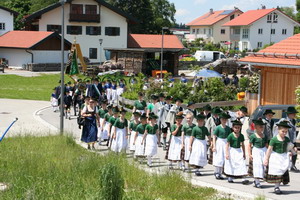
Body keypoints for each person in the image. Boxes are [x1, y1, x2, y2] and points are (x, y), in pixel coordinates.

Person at [264, 120, 295, 194]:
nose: (284, 133)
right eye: (283, 131)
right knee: (277, 172)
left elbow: (290, 147)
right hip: (276, 157)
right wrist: (266, 159)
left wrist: (292, 152)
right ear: (278, 130)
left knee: (282, 172)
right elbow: (269, 149)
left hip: (283, 157)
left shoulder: (286, 139)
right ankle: (276, 187)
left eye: (286, 132)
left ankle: (277, 186)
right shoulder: (274, 139)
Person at [274, 106, 299, 172]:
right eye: (293, 113)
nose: (294, 115)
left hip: (292, 140)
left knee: (294, 152)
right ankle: (283, 166)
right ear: (289, 114)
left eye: (294, 113)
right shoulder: (284, 120)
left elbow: (294, 131)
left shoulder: (294, 121)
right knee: (285, 153)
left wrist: (295, 143)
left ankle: (292, 165)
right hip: (285, 140)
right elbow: (277, 127)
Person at [224, 120, 248, 184]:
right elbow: (227, 145)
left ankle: (243, 178)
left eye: (238, 128)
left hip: (238, 150)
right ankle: (230, 177)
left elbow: (243, 145)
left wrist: (244, 153)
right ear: (233, 128)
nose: (237, 129)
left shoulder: (241, 136)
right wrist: (227, 153)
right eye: (236, 127)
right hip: (232, 150)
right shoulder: (230, 135)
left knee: (241, 163)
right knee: (232, 163)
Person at [247, 118, 268, 188]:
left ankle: (260, 178)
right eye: (260, 127)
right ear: (256, 127)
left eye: (262, 127)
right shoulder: (253, 136)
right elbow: (249, 145)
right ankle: (257, 181)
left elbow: (267, 145)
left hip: (263, 151)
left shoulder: (264, 136)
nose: (262, 128)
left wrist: (269, 153)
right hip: (257, 151)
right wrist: (250, 154)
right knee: (257, 165)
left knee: (264, 166)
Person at [212, 112, 231, 180]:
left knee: (224, 157)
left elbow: (229, 137)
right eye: (223, 119)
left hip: (225, 142)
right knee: (219, 157)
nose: (224, 121)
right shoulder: (218, 128)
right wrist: (214, 146)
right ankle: (217, 172)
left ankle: (221, 172)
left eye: (225, 119)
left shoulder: (228, 128)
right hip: (219, 142)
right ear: (220, 120)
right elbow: (214, 136)